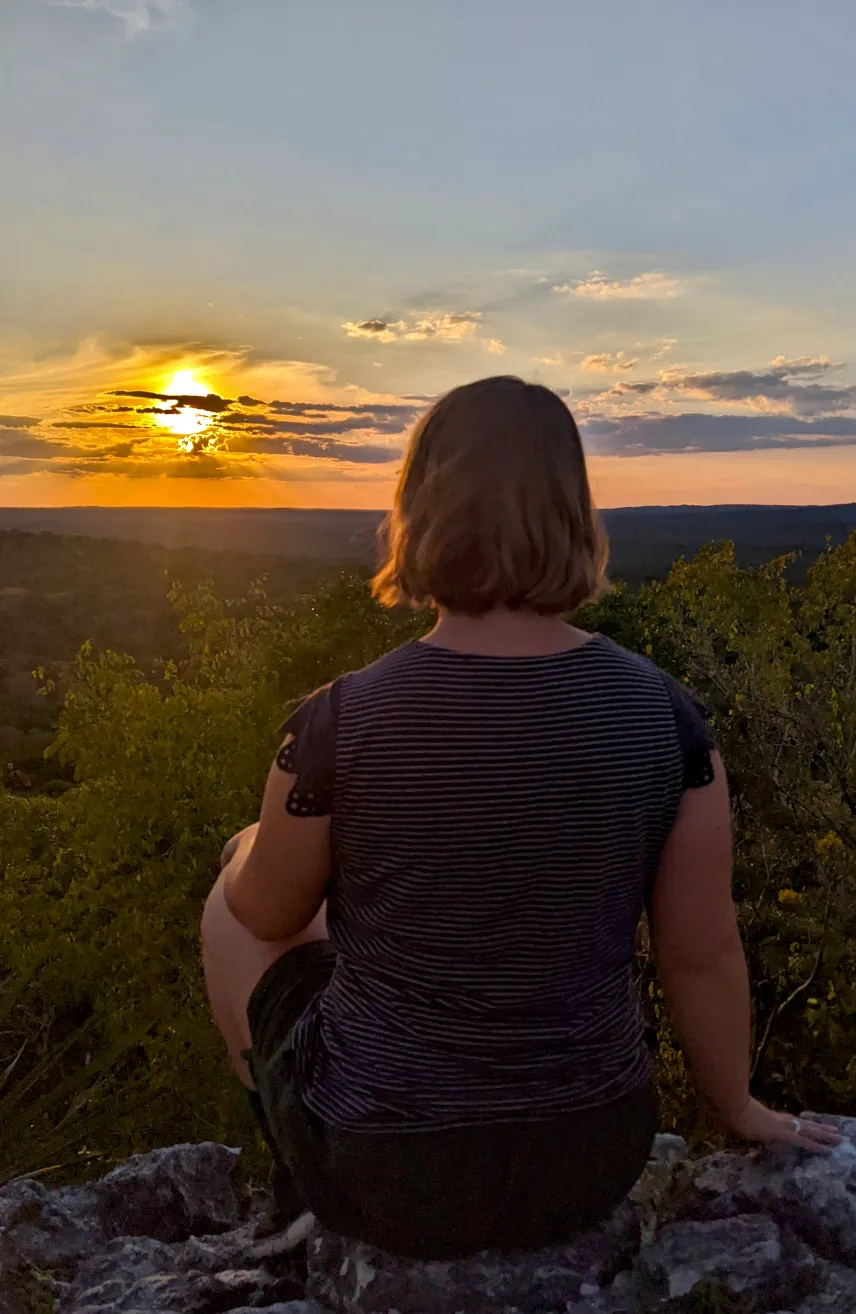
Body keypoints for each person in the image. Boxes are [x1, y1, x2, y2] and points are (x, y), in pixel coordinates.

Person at [201, 376, 839, 1260]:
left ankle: (293, 1143)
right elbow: (701, 950)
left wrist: (243, 854)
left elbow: (266, 918)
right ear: (574, 513)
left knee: (233, 899)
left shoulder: (340, 723)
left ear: (420, 510)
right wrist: (736, 1106)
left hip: (387, 1168)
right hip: (590, 1159)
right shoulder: (667, 719)